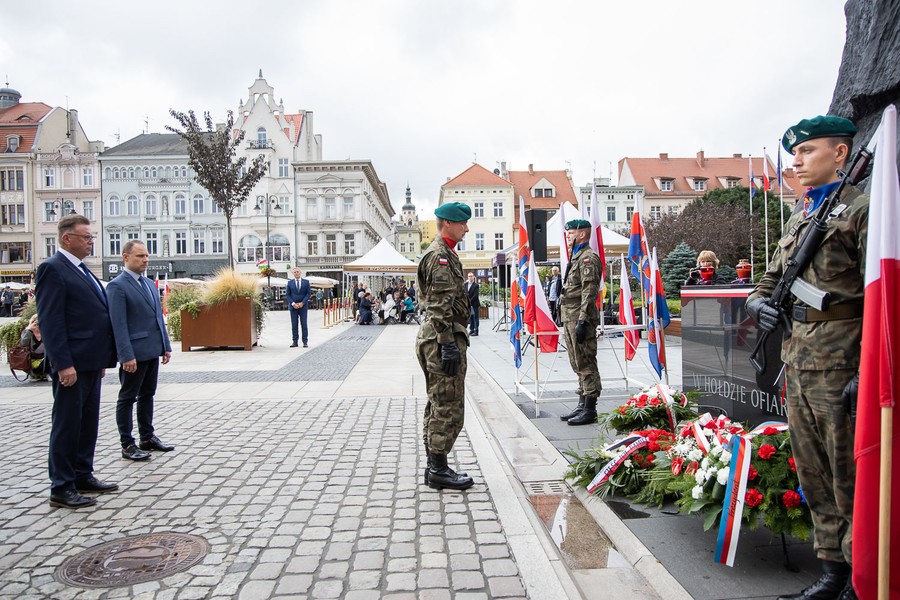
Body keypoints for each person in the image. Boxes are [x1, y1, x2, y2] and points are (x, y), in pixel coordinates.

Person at [746, 115, 864, 600]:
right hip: (800, 360)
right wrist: (759, 304)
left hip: (845, 364)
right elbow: (770, 280)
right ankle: (832, 572)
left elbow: (886, 295)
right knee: (813, 471)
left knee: (849, 476)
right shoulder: (800, 216)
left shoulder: (865, 210)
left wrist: (871, 368)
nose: (796, 163)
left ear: (840, 154)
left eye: (807, 152)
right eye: (794, 154)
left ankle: (862, 577)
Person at [35, 214, 118, 509]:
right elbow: (51, 320)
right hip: (71, 365)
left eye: (91, 237)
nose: (91, 242)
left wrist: (102, 358)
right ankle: (61, 486)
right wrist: (62, 363)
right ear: (66, 238)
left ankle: (83, 473)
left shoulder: (83, 270)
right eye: (86, 237)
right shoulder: (52, 269)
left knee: (87, 423)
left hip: (90, 363)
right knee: (67, 424)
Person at [416, 201, 474, 491]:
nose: (466, 228)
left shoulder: (446, 253)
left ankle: (434, 466)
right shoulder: (440, 256)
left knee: (438, 401)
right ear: (447, 224)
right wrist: (447, 344)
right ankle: (437, 469)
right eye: (462, 223)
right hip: (443, 337)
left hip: (440, 336)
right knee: (447, 405)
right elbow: (439, 306)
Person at [107, 241, 174, 462]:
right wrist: (125, 355)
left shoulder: (148, 283)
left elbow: (158, 318)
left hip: (152, 350)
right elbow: (118, 324)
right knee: (127, 397)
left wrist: (165, 346)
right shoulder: (117, 286)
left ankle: (147, 436)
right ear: (125, 257)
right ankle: (127, 444)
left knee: (148, 395)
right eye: (139, 256)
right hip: (133, 353)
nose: (145, 260)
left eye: (146, 256)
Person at [559, 219, 603, 426]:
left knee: (585, 360)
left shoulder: (588, 258)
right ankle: (582, 402)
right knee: (576, 361)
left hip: (579, 315)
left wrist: (583, 321)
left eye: (570, 233)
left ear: (581, 234)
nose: (567, 236)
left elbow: (589, 291)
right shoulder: (576, 256)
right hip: (570, 314)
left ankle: (590, 408)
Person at [287, 267, 311, 348]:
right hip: (293, 306)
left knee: (304, 324)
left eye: (298, 272)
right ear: (293, 274)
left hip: (303, 306)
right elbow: (288, 294)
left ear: (300, 273)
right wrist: (293, 303)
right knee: (294, 325)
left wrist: (302, 302)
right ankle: (295, 341)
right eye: (295, 272)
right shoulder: (290, 283)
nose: (296, 273)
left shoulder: (306, 282)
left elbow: (308, 294)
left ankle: (305, 341)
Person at [19, 314, 47, 381]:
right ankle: (33, 374)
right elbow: (23, 344)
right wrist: (29, 331)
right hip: (31, 358)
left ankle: (47, 373)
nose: (37, 325)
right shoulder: (27, 332)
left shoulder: (46, 331)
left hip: (45, 358)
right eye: (35, 322)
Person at [465, 272, 480, 336]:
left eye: (471, 276)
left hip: (474, 304)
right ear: (467, 277)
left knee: (475, 318)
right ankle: (472, 330)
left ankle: (476, 331)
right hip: (468, 304)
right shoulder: (465, 284)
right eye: (469, 276)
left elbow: (475, 295)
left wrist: (469, 301)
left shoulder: (476, 285)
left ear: (474, 277)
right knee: (470, 317)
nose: (470, 277)